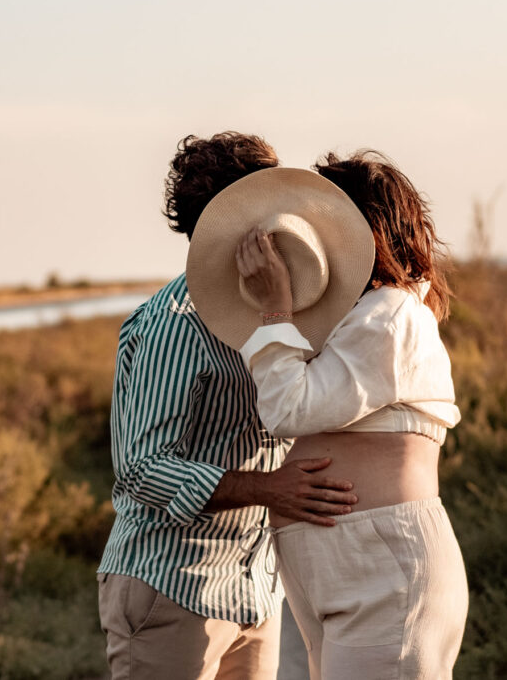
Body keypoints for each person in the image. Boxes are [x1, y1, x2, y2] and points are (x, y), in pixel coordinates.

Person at [191, 151, 468, 679]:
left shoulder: (391, 316)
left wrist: (275, 311)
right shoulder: (358, 320)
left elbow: (288, 408)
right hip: (349, 575)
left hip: (383, 574)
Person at [96, 132, 359, 680]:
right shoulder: (175, 324)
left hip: (254, 590)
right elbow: (142, 469)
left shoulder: (288, 312)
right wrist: (269, 489)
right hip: (171, 587)